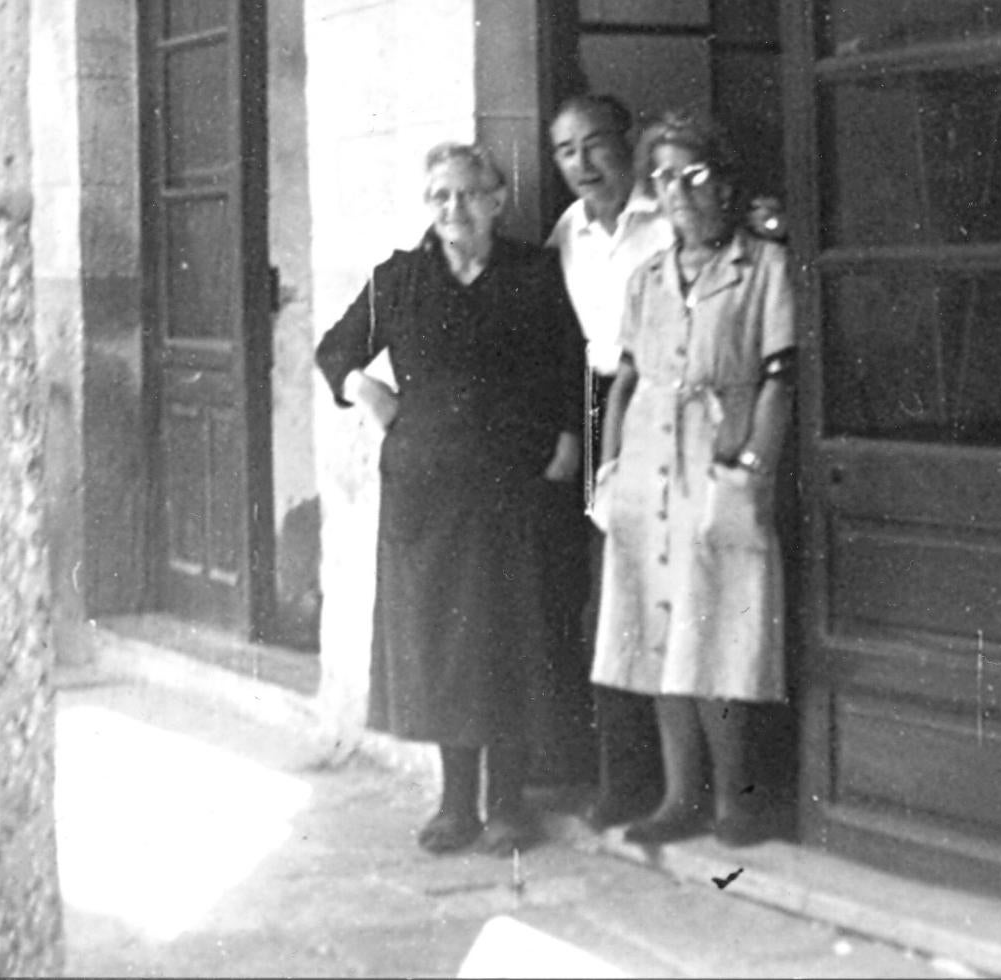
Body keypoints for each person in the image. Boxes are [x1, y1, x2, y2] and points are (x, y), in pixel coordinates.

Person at [314, 141, 587, 857]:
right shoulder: (399, 279)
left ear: (497, 200)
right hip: (428, 490)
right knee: (442, 641)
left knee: (513, 635)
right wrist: (369, 393)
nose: (453, 209)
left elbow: (571, 364)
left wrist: (567, 440)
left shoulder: (533, 272)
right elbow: (334, 351)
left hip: (515, 483)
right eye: (439, 196)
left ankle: (508, 804)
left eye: (468, 194)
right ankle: (455, 802)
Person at [591, 108, 795, 848]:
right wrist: (609, 473)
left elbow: (779, 378)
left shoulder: (762, 266)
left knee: (723, 632)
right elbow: (625, 381)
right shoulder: (647, 278)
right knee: (656, 635)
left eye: (695, 175)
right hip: (648, 468)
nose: (679, 192)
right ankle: (680, 797)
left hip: (718, 464)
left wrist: (750, 470)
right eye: (664, 178)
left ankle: (735, 799)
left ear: (727, 184)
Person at [547, 93, 672, 829]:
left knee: (657, 598)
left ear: (627, 142)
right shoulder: (568, 232)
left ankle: (668, 783)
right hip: (594, 413)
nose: (583, 164)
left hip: (657, 403)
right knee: (607, 603)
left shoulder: (665, 218)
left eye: (596, 145)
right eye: (566, 151)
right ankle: (621, 778)